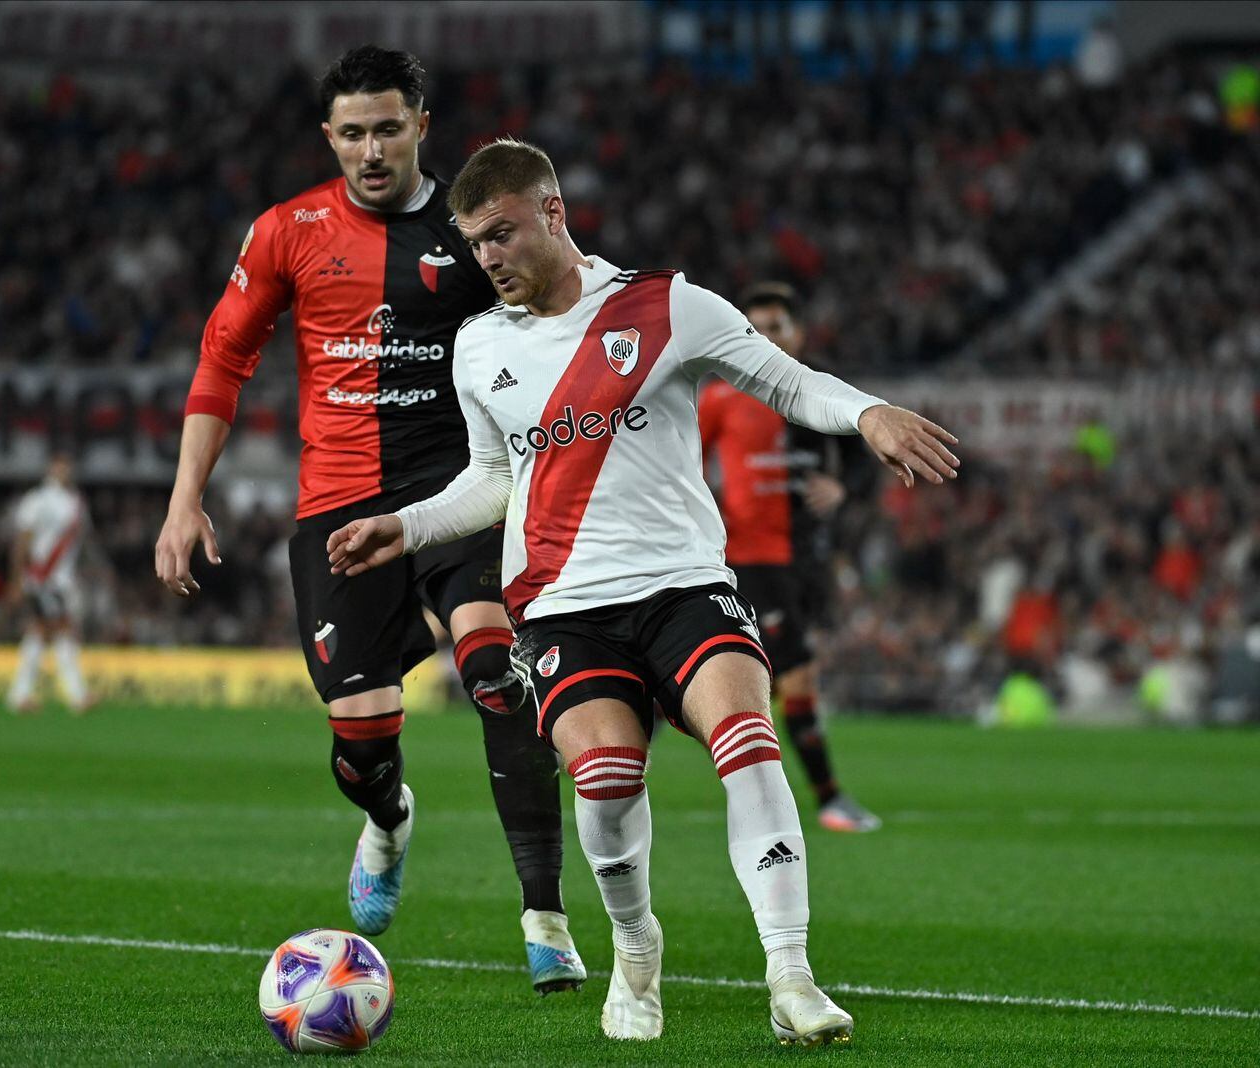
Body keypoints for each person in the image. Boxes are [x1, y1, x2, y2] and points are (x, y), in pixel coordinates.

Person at [326, 138, 959, 1044]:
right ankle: (635, 945)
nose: (489, 257)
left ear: (553, 212)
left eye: (502, 233)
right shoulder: (478, 347)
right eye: (474, 243)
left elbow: (786, 381)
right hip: (561, 605)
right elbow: (494, 476)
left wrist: (868, 413)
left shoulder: (667, 306)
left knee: (748, 738)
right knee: (609, 779)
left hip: (682, 583)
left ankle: (791, 974)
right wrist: (411, 524)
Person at [152, 47, 584, 994]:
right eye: (352, 132)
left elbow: (562, 310)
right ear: (328, 138)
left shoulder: (473, 230)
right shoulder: (287, 231)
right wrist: (186, 498)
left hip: (464, 488)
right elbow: (223, 362)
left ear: (422, 124)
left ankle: (544, 915)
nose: (372, 149)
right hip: (342, 505)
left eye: (389, 127)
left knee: (498, 672)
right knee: (360, 738)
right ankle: (388, 819)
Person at [698, 282, 882, 832]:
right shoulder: (721, 396)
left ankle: (623, 733)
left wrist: (843, 487)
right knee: (796, 675)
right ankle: (827, 799)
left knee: (776, 678)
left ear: (798, 333)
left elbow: (863, 453)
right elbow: (680, 461)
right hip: (751, 559)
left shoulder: (819, 391)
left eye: (776, 327)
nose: (765, 339)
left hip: (806, 558)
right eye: (754, 328)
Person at [7, 454, 96, 715]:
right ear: (50, 467)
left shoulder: (76, 502)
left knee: (41, 632)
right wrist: (16, 579)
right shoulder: (36, 500)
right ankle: (77, 695)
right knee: (62, 629)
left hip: (61, 578)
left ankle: (20, 694)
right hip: (43, 578)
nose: (64, 469)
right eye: (59, 464)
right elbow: (22, 541)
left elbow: (80, 547)